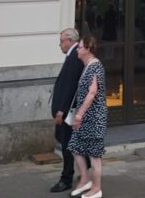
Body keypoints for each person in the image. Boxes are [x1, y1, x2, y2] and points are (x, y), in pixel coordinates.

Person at [69, 34, 108, 197]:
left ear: (88, 49)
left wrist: (79, 115)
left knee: (94, 155)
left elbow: (92, 93)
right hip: (86, 117)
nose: (77, 50)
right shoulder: (87, 66)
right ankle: (85, 179)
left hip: (94, 118)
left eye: (80, 47)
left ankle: (97, 188)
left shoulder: (95, 66)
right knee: (75, 147)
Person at [50, 27, 85, 193]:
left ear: (70, 40)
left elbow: (70, 86)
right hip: (67, 111)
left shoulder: (74, 56)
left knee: (67, 145)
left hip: (68, 111)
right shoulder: (72, 55)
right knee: (64, 140)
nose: (59, 45)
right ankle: (85, 169)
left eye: (61, 41)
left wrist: (61, 110)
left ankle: (67, 178)